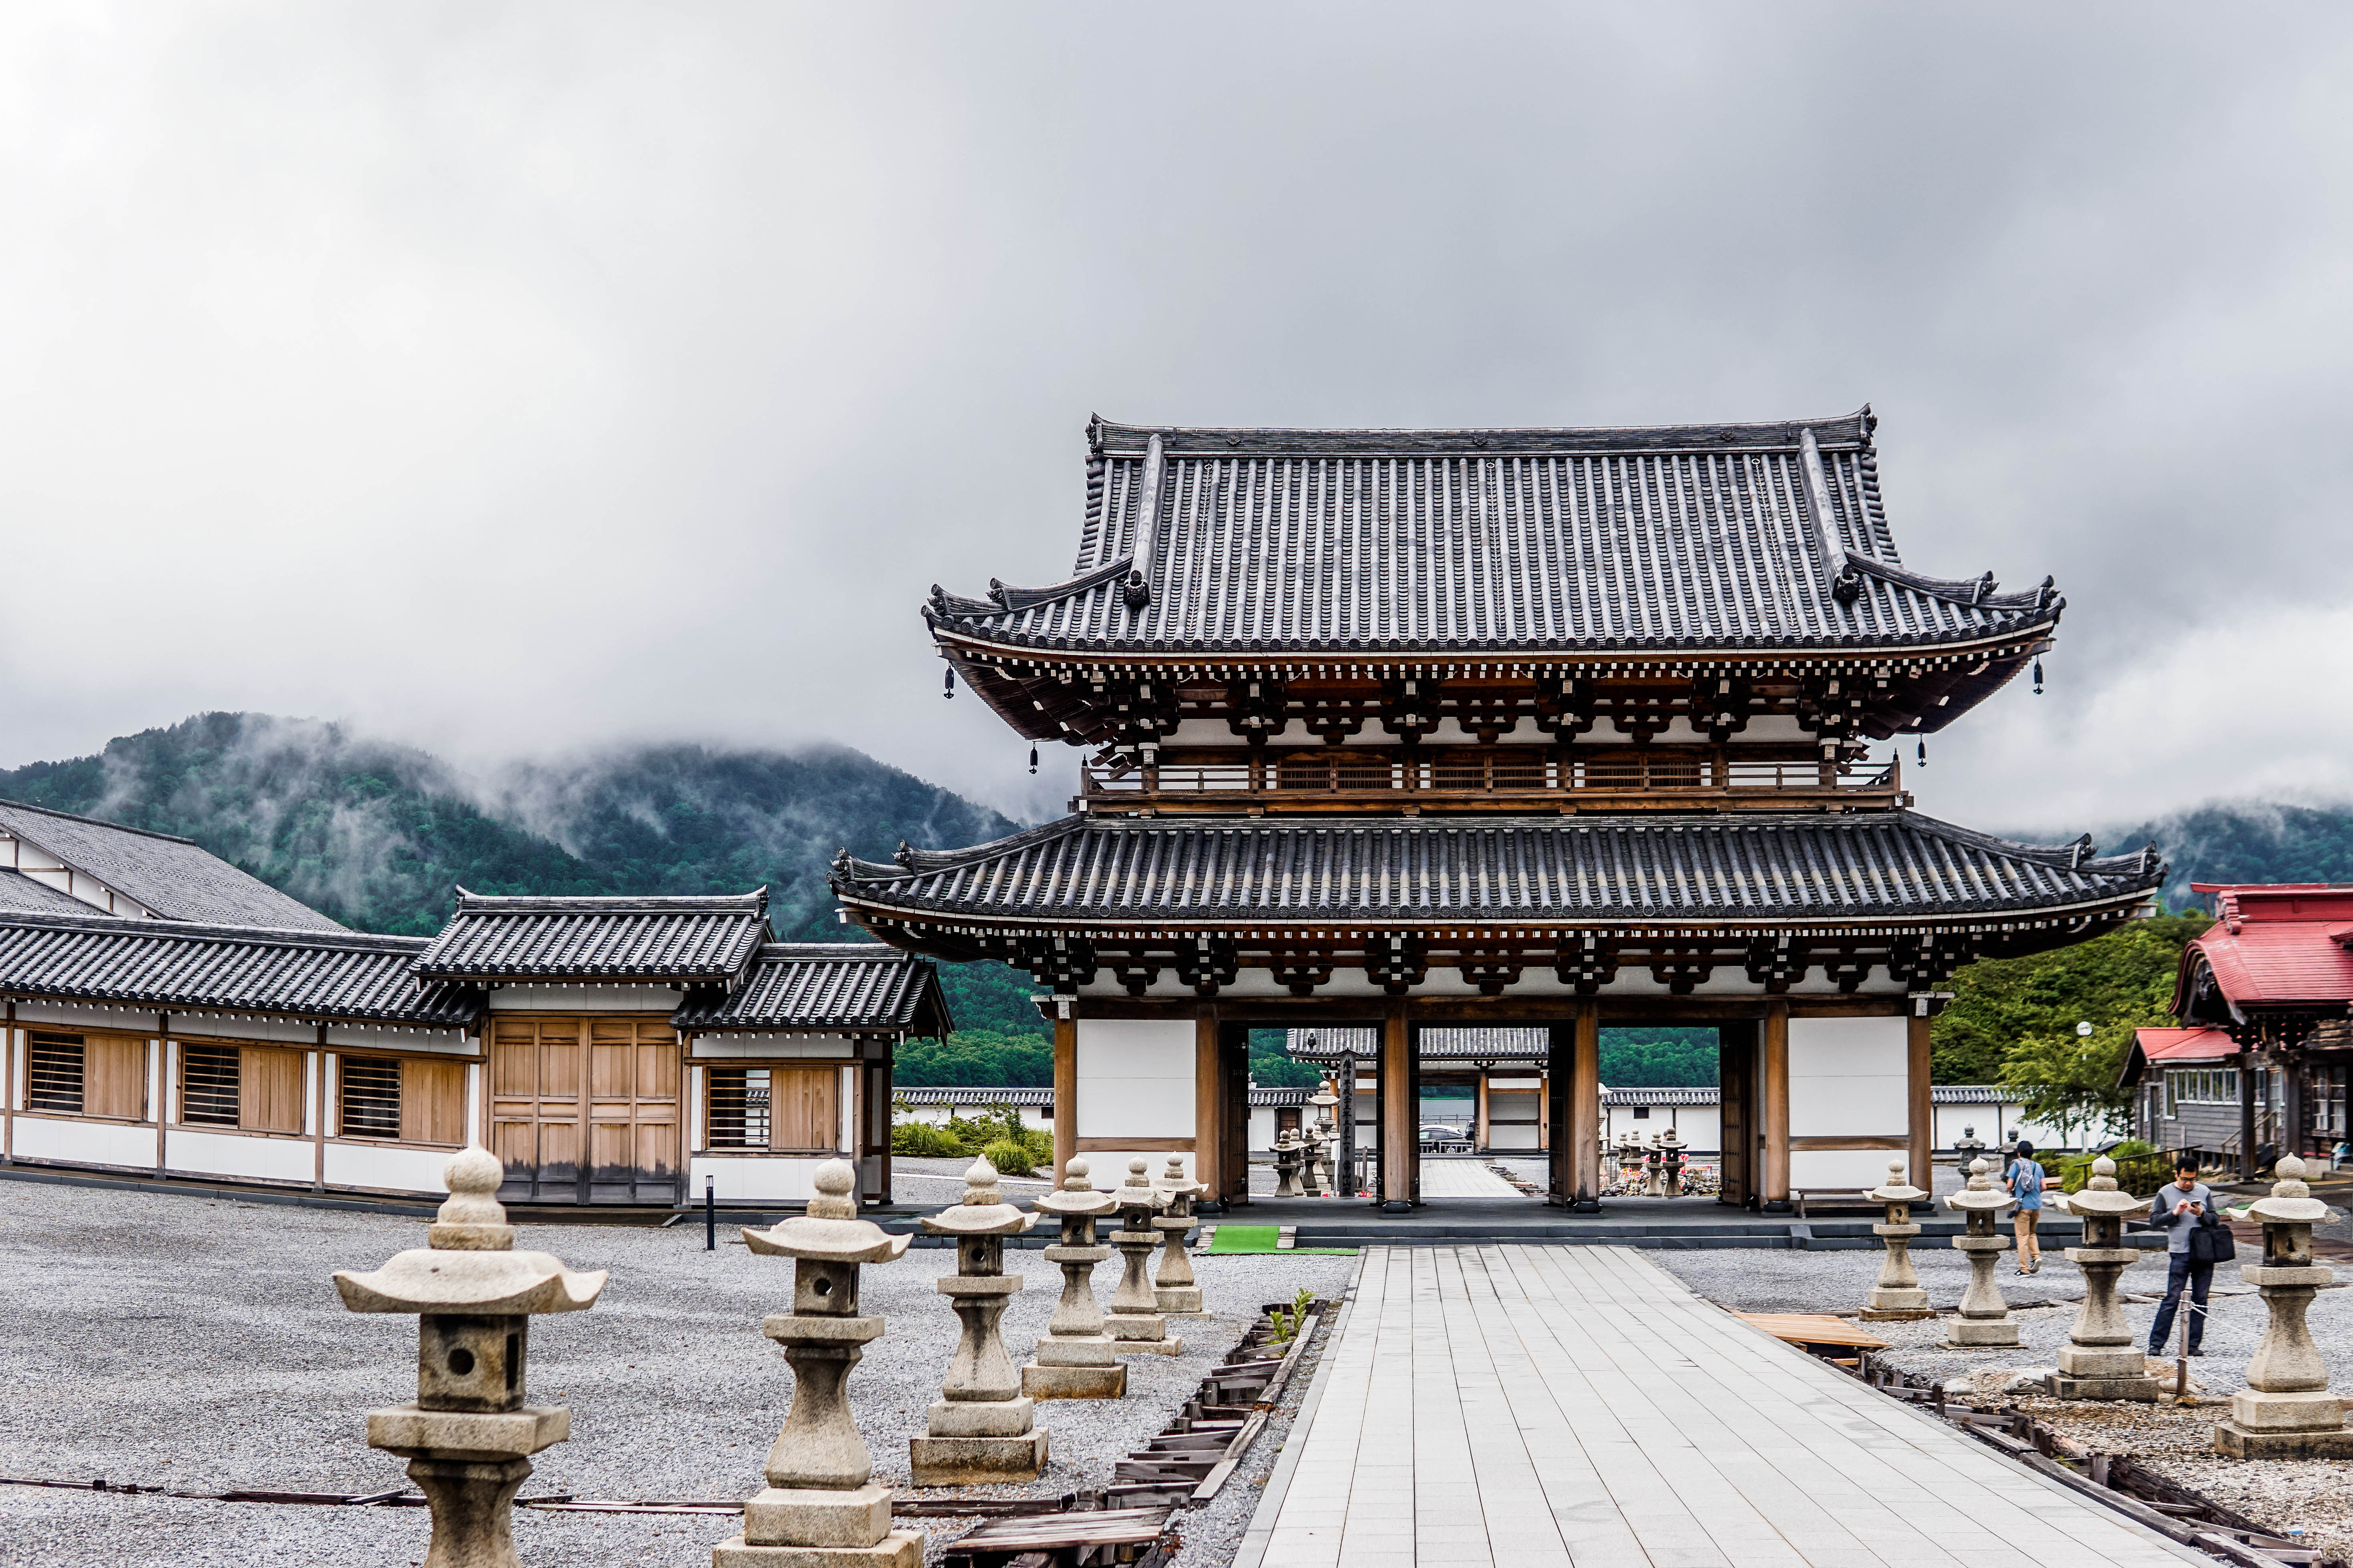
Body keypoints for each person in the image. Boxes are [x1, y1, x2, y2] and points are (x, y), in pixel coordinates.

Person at [2148, 1153, 2218, 1357]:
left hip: (2204, 1254)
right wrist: (2175, 1214)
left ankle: (2193, 1345)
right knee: (2172, 1298)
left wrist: (2201, 1215)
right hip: (2180, 1253)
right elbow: (2154, 1221)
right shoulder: (2165, 1193)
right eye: (2184, 1179)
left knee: (2201, 1298)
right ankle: (2156, 1344)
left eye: (2192, 1180)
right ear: (2176, 1175)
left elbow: (2215, 1219)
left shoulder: (2204, 1191)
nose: (2188, 1183)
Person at [2004, 1140, 2046, 1274]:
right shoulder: (2038, 1166)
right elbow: (2044, 1187)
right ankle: (2037, 1257)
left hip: (2023, 1206)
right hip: (2037, 1206)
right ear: (2032, 1154)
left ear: (2019, 1153)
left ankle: (2024, 1269)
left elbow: (2010, 1185)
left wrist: (2010, 1193)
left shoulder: (2016, 1164)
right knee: (2032, 1233)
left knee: (2022, 1237)